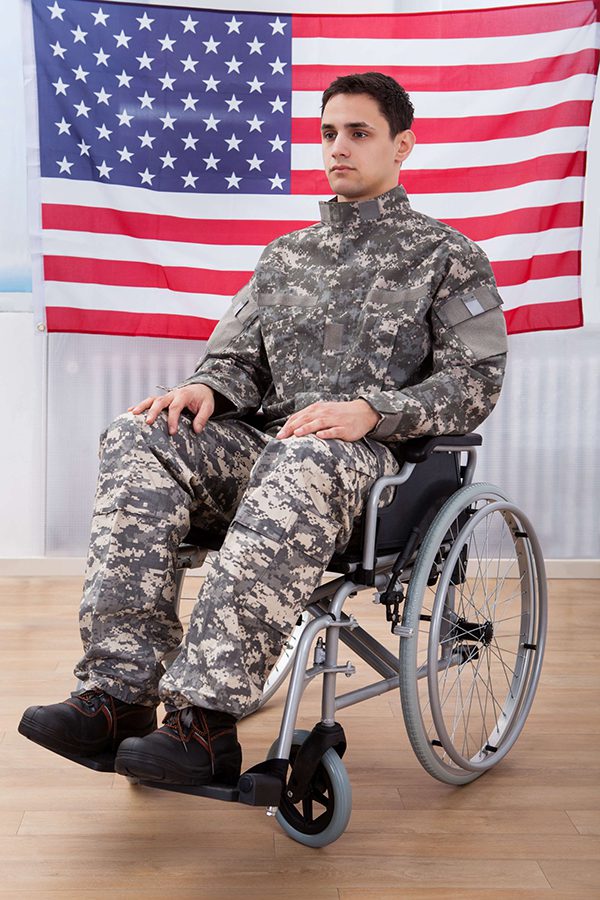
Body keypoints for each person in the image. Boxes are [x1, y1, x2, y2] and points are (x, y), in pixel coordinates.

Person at [19, 72, 507, 786]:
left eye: (359, 133)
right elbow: (234, 362)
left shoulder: (449, 257)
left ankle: (205, 722)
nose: (338, 147)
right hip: (267, 448)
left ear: (403, 146)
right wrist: (203, 388)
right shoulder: (285, 258)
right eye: (328, 133)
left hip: (371, 465)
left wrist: (372, 410)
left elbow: (475, 383)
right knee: (137, 435)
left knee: (306, 454)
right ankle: (119, 696)